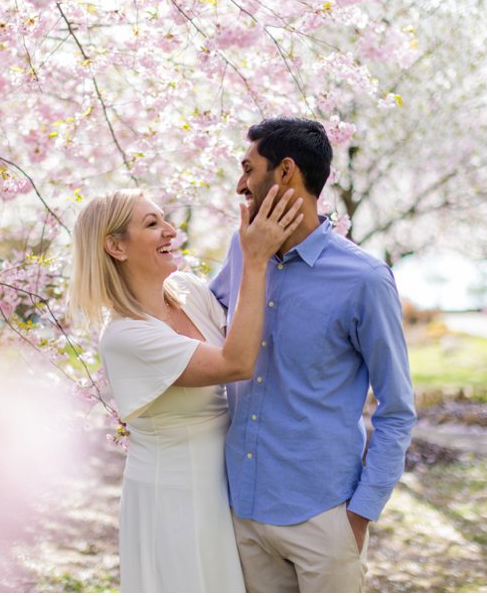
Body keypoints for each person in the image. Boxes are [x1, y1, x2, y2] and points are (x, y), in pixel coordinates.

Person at [210, 117, 417, 593]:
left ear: (285, 172)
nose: (240, 185)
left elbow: (398, 409)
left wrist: (359, 516)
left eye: (248, 169)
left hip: (323, 516)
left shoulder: (365, 280)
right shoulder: (242, 252)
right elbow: (202, 323)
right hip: (244, 510)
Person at [69, 187, 303, 592]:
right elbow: (236, 362)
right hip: (176, 498)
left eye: (165, 219)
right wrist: (254, 259)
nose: (171, 231)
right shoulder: (126, 336)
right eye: (152, 223)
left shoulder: (189, 292)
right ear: (116, 246)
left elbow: (252, 332)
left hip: (228, 486)